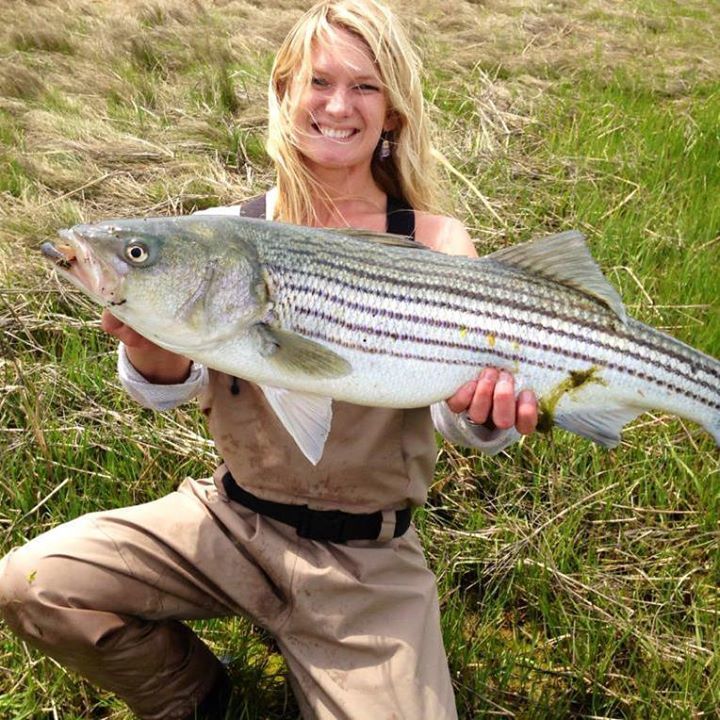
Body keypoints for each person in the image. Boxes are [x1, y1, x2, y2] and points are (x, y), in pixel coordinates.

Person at [0, 1, 538, 718]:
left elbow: (453, 412)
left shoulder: (436, 240)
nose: (338, 105)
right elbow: (165, 386)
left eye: (366, 87)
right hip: (229, 522)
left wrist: (486, 416)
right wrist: (154, 354)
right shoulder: (222, 233)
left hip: (366, 562)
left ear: (394, 114)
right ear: (283, 95)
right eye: (317, 82)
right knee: (32, 582)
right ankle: (196, 695)